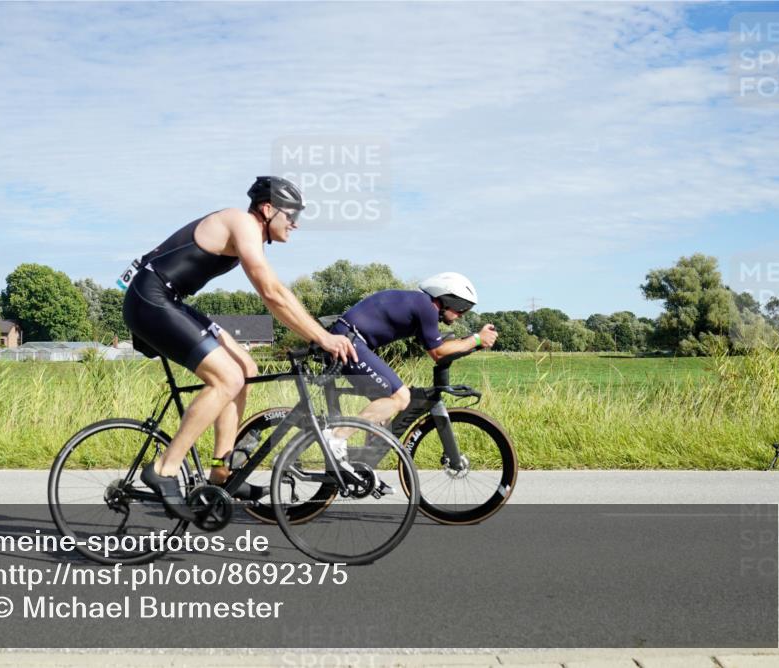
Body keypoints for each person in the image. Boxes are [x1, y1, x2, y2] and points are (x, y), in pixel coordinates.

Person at [122, 176, 357, 520]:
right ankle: (164, 468)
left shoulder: (250, 232)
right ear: (267, 209)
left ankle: (221, 472)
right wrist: (321, 337)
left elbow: (277, 293)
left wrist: (316, 334)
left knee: (245, 367)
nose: (296, 223)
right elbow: (271, 292)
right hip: (150, 299)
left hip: (168, 299)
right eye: (290, 214)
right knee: (226, 378)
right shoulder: (241, 222)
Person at [327, 272, 498, 440]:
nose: (462, 315)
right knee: (401, 397)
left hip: (350, 339)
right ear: (448, 299)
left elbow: (439, 343)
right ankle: (337, 436)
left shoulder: (419, 304)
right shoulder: (427, 308)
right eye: (462, 308)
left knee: (386, 403)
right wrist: (477, 339)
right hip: (349, 343)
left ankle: (361, 463)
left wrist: (471, 341)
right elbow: (438, 352)